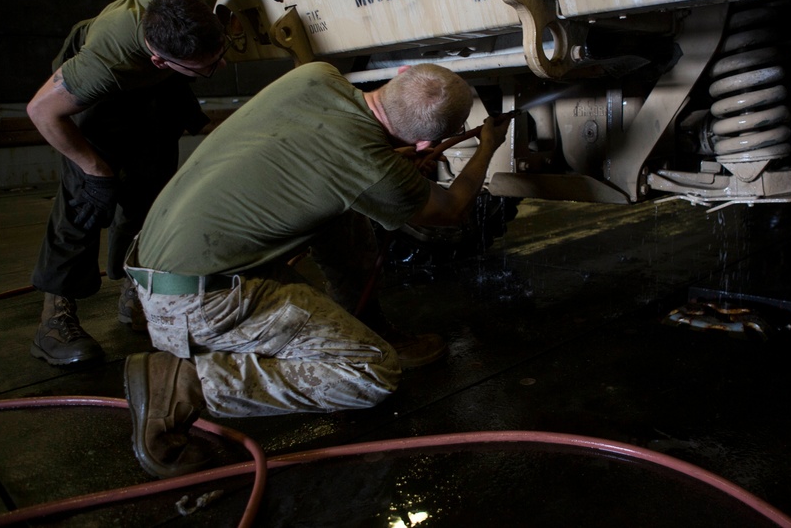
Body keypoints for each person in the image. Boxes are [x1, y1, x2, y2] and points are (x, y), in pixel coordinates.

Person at [121, 61, 511, 478]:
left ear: (400, 76)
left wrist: (387, 166)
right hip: (196, 302)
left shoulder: (316, 76)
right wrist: (488, 146)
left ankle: (367, 322)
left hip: (159, 258)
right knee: (372, 373)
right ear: (427, 142)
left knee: (346, 212)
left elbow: (324, 147)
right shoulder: (373, 167)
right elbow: (449, 210)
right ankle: (185, 383)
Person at [27, 0, 296, 366]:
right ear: (158, 59)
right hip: (92, 96)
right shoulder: (102, 65)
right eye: (204, 69)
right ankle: (55, 315)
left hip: (156, 81)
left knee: (153, 191)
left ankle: (136, 294)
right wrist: (95, 169)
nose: (216, 72)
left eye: (217, 60)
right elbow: (41, 110)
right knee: (84, 200)